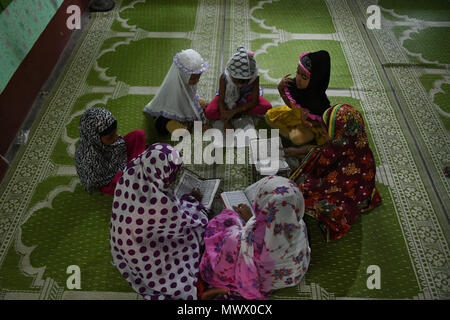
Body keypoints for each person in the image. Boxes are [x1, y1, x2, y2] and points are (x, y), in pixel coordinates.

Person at [110, 143, 209, 300]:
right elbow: (182, 223)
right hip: (144, 253)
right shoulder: (155, 208)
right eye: (172, 175)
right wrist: (193, 201)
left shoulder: (133, 171)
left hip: (123, 241)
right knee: (199, 226)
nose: (172, 179)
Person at [199, 176, 310, 300]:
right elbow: (273, 234)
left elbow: (244, 242)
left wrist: (249, 219)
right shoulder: (300, 226)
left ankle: (229, 288)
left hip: (259, 279)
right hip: (292, 276)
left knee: (226, 221)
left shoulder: (248, 243)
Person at [287, 104, 382, 241]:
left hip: (345, 191)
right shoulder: (357, 143)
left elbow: (321, 164)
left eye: (326, 132)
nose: (324, 134)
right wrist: (301, 151)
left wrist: (302, 156)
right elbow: (323, 151)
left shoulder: (336, 150)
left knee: (302, 191)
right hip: (360, 187)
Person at [265, 50, 331, 146]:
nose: (298, 79)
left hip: (309, 126)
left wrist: (308, 124)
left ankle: (307, 142)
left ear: (315, 80)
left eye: (304, 77)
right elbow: (290, 105)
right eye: (297, 72)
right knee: (269, 116)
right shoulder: (295, 86)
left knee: (296, 138)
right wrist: (280, 88)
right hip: (295, 116)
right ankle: (299, 137)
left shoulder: (318, 101)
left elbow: (322, 123)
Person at [75, 107, 146, 195]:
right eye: (110, 137)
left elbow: (119, 146)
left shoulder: (107, 139)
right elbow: (100, 181)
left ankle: (135, 170)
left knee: (137, 135)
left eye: (115, 132)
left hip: (119, 161)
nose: (116, 138)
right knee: (125, 182)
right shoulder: (89, 158)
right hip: (109, 180)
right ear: (95, 137)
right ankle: (136, 170)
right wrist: (126, 173)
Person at [143, 49, 210, 135]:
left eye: (198, 77)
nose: (197, 81)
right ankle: (181, 124)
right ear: (183, 76)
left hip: (184, 106)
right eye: (193, 78)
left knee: (203, 104)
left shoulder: (187, 83)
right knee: (172, 127)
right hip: (169, 113)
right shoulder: (173, 87)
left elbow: (190, 99)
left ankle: (185, 123)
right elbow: (176, 106)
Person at [204, 46, 272, 129]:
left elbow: (254, 101)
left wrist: (233, 111)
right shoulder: (224, 78)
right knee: (209, 112)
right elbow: (221, 100)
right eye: (236, 82)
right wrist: (226, 120)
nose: (240, 86)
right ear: (230, 75)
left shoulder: (255, 78)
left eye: (245, 82)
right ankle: (236, 113)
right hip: (227, 98)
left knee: (267, 107)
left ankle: (234, 112)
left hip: (246, 97)